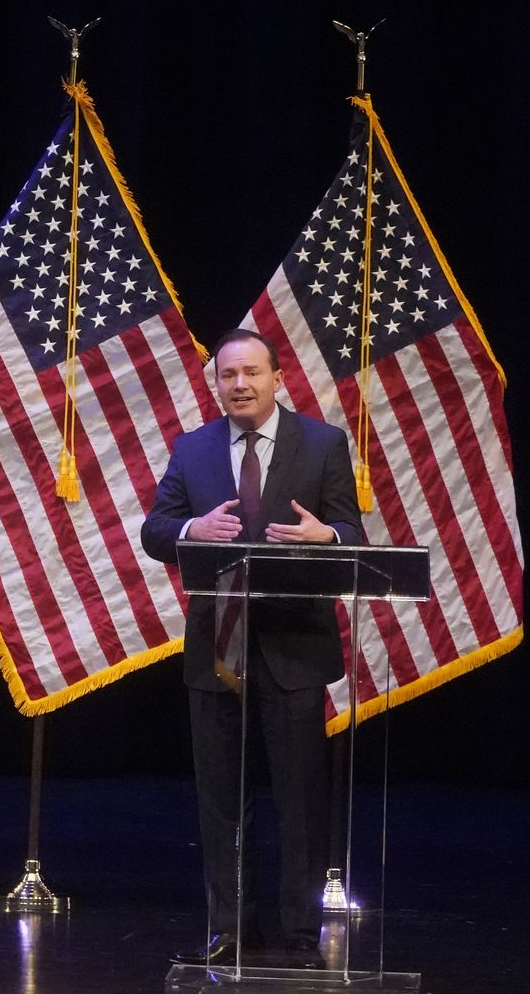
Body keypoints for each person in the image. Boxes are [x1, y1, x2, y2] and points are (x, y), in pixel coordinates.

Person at [140, 328, 363, 969]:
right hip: (219, 648)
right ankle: (230, 929)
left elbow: (351, 531)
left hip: (295, 645)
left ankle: (300, 934)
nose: (240, 385)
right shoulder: (193, 448)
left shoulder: (322, 443)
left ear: (276, 378)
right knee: (221, 797)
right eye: (228, 375)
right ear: (217, 384)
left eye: (252, 373)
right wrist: (193, 527)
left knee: (299, 798)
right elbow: (156, 530)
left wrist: (327, 536)